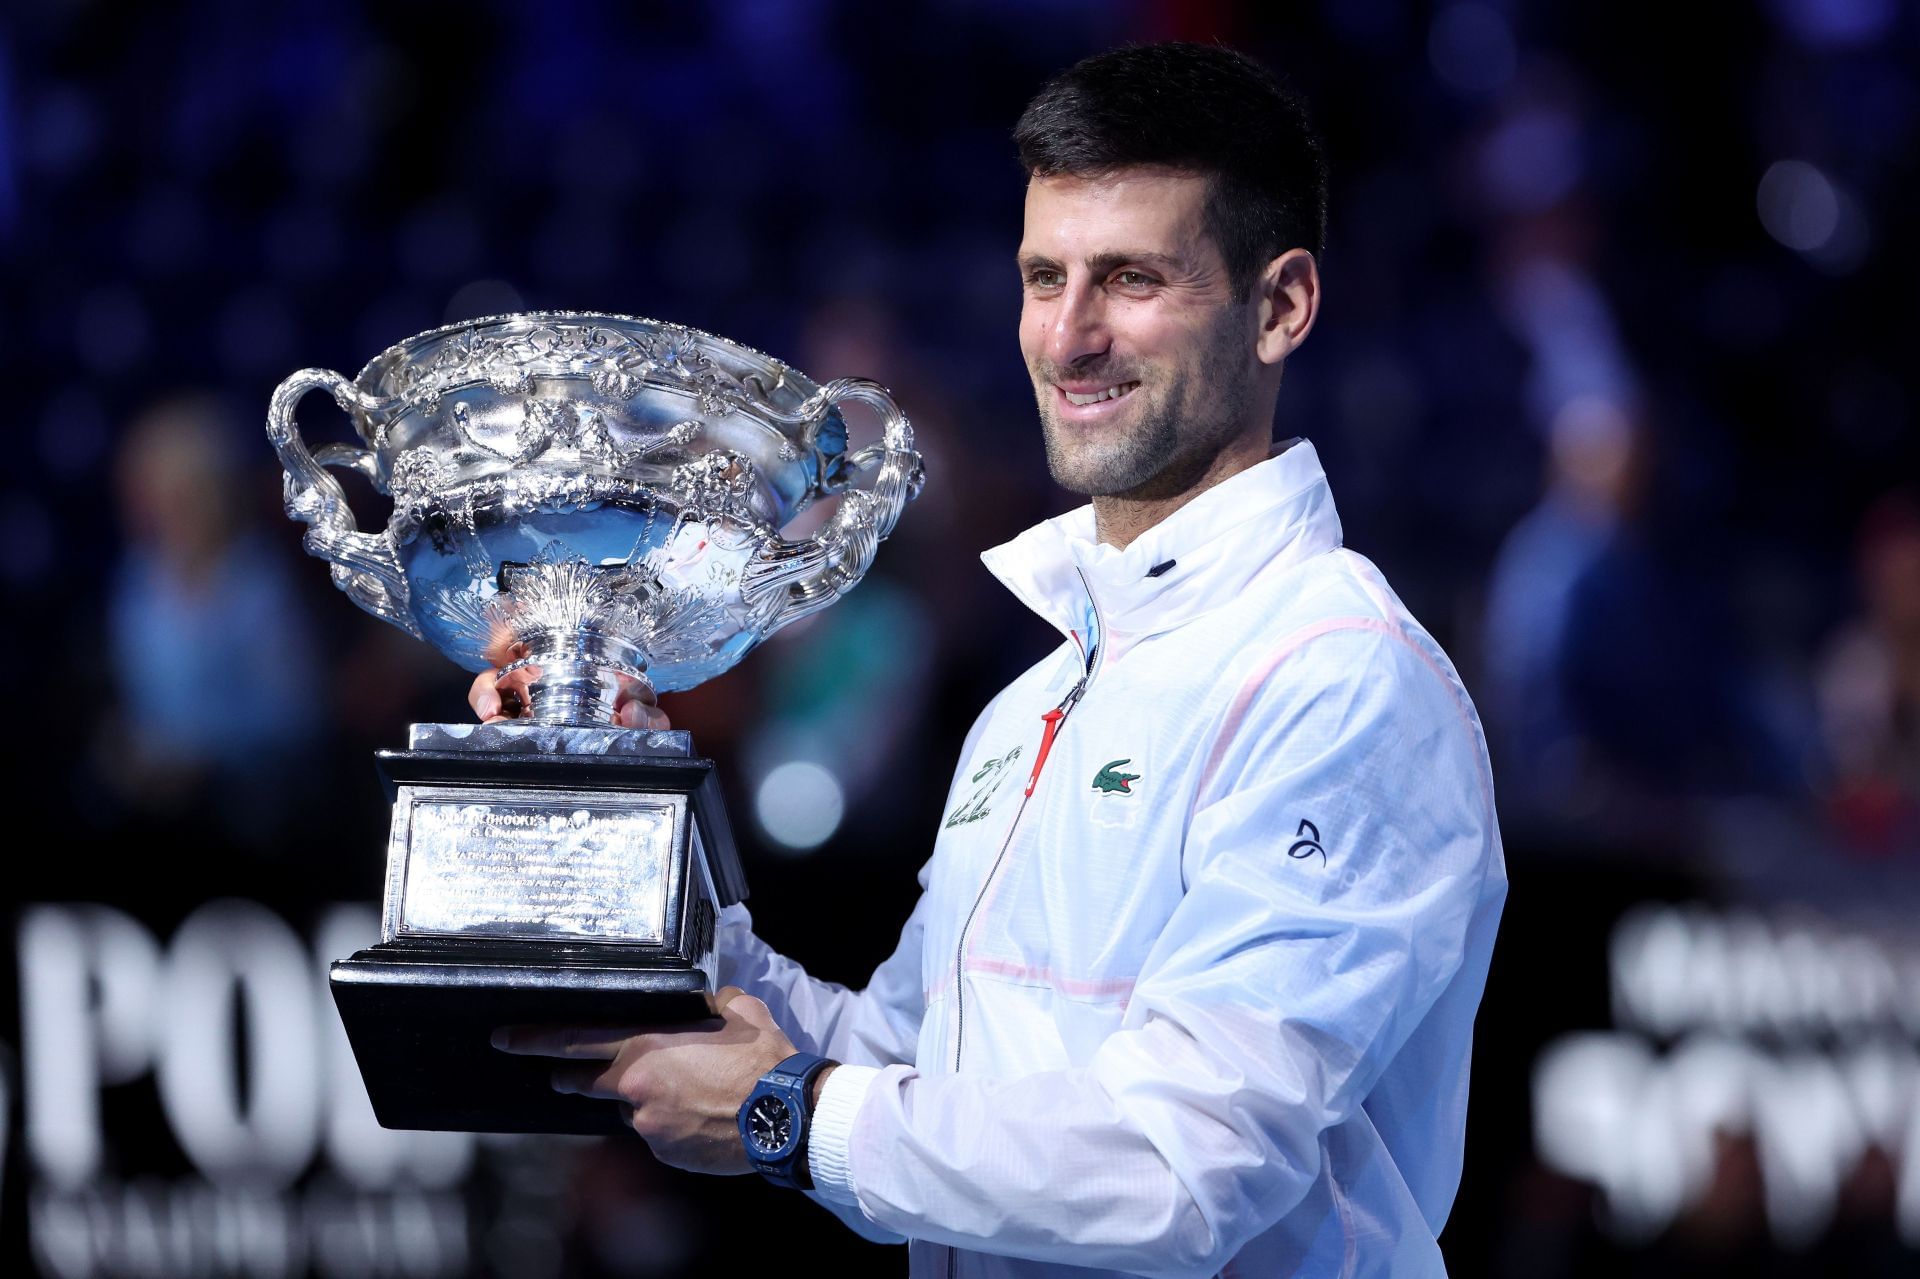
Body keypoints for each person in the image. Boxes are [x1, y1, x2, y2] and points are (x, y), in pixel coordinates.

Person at [479, 43, 1506, 1278]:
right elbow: (907, 1082)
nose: (1069, 336)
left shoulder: (1341, 678)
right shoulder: (1034, 702)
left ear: (1280, 306)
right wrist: (639, 839)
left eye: (1131, 279)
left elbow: (1187, 1169)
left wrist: (792, 1118)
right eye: (1043, 277)